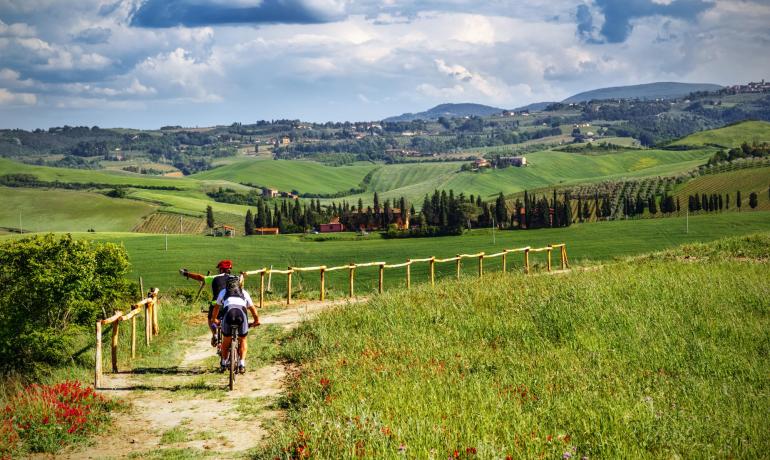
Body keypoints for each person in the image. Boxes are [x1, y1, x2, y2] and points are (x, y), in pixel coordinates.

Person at [211, 274, 259, 373]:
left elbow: (216, 307)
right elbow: (253, 309)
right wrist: (256, 320)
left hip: (228, 314)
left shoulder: (223, 292)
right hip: (241, 315)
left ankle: (223, 363)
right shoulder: (244, 293)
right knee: (243, 339)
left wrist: (214, 319)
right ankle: (242, 364)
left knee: (226, 341)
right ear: (238, 284)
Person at [180, 260, 233, 346]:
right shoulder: (235, 278)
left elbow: (199, 277)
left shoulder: (215, 277)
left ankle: (214, 333)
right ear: (229, 269)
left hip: (216, 303)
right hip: (230, 303)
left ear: (220, 269)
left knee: (211, 319)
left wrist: (187, 274)